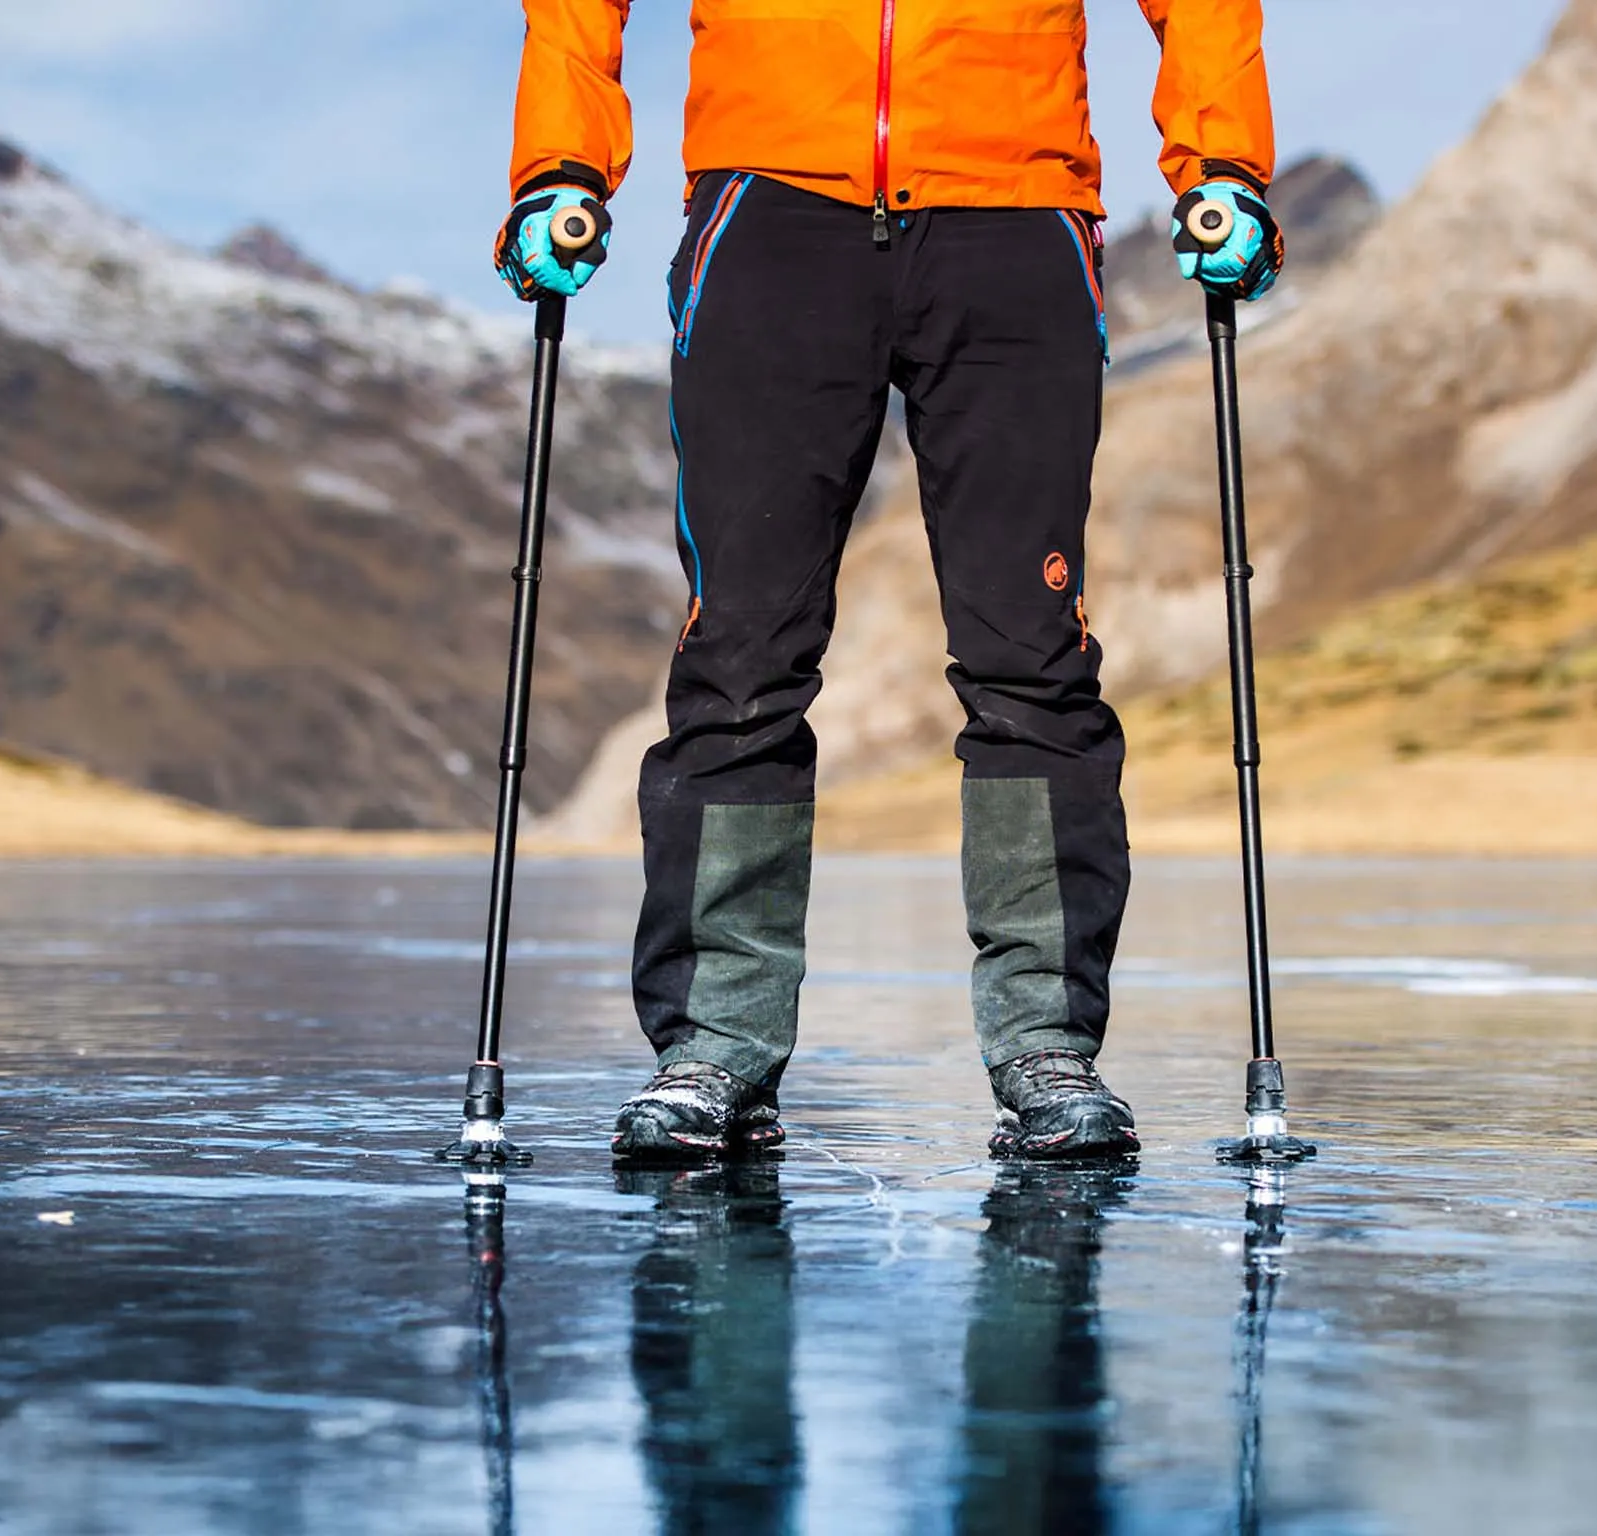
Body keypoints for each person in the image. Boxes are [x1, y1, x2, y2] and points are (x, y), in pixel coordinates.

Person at [496, 1, 1285, 1163]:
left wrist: (1222, 159)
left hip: (1014, 213)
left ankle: (1047, 1045)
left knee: (1034, 657)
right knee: (741, 653)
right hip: (770, 207)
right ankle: (716, 1045)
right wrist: (561, 163)